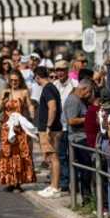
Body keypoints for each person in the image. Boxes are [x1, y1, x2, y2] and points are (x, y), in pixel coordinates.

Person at [0, 76, 36, 192]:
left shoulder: (24, 92)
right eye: (12, 80)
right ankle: (10, 181)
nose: (14, 82)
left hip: (19, 127)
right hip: (7, 126)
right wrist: (3, 100)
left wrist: (32, 117)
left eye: (16, 80)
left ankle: (18, 182)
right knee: (7, 153)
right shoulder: (5, 92)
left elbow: (29, 106)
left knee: (19, 153)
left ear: (20, 81)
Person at [35, 66, 64, 198]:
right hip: (51, 128)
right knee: (50, 158)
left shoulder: (47, 89)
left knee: (53, 158)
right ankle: (52, 185)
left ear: (37, 77)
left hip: (50, 129)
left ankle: (55, 187)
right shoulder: (51, 87)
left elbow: (52, 107)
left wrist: (48, 126)